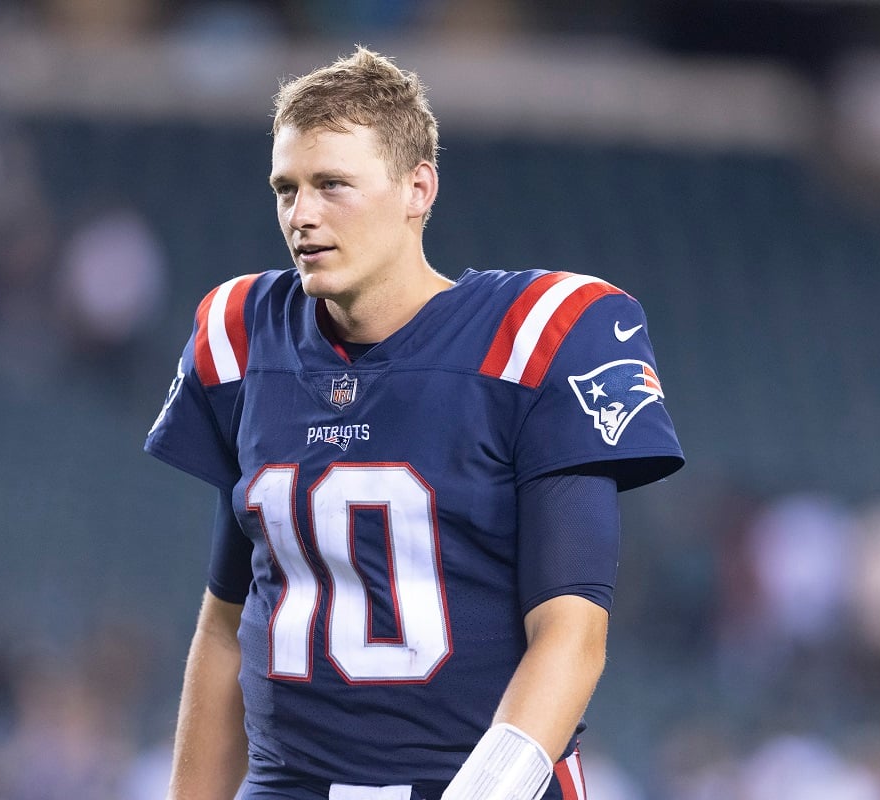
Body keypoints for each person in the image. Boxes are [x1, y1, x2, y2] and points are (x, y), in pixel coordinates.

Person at [145, 46, 684, 800]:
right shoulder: (242, 335)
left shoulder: (538, 338)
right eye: (286, 189)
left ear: (416, 188)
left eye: (333, 185)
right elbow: (225, 627)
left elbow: (572, 635)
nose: (302, 215)